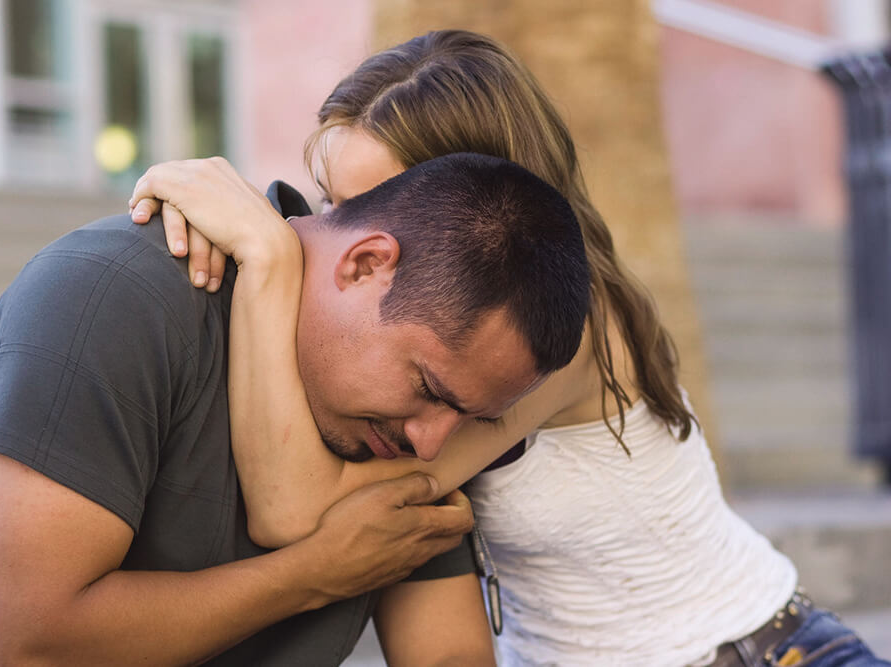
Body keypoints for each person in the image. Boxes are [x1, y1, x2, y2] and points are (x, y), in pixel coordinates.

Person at [130, 30, 891, 666]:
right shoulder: (416, 336)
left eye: (374, 208)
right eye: (334, 202)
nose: (344, 238)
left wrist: (265, 259)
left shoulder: (554, 335)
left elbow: (296, 512)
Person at [0, 152, 593, 666]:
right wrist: (309, 574)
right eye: (430, 390)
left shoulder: (409, 418)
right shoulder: (113, 296)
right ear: (364, 264)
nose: (434, 443)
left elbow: (447, 656)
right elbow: (27, 646)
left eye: (469, 417)